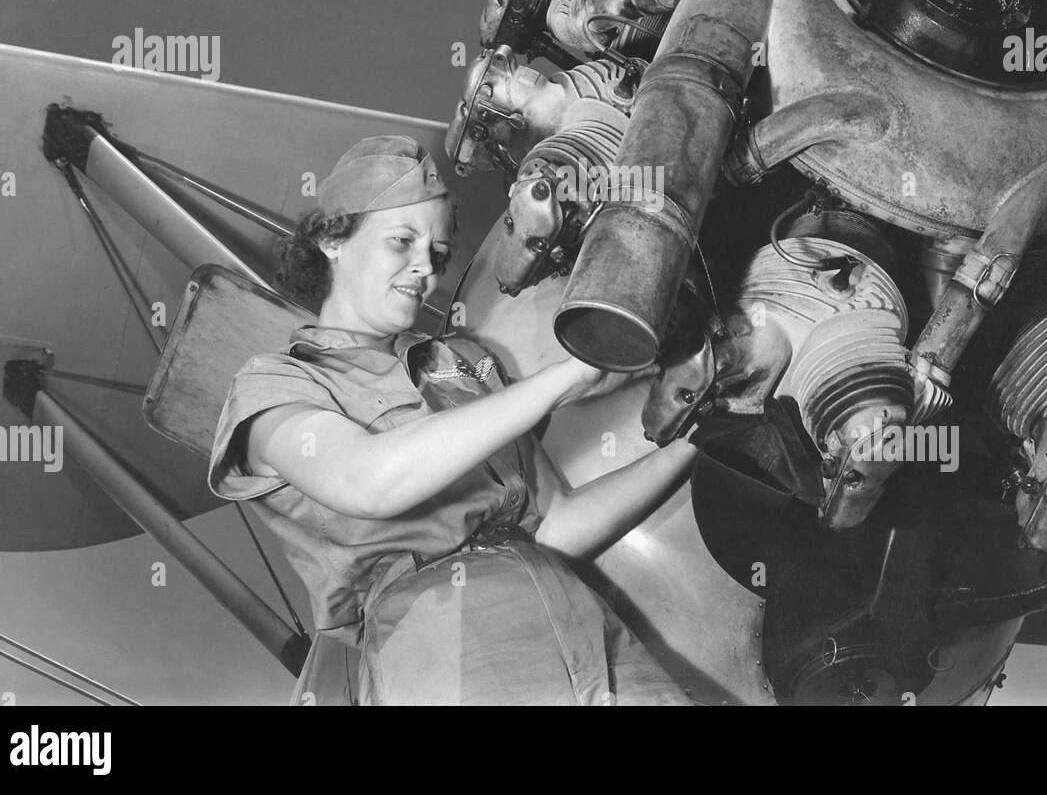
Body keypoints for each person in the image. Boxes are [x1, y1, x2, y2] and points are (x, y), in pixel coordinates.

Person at [208, 135, 696, 705]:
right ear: (331, 238)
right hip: (441, 636)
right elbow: (367, 482)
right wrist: (570, 374)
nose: (426, 269)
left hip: (579, 620)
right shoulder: (274, 384)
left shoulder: (463, 363)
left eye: (437, 254)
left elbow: (558, 524)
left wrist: (700, 444)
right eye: (402, 242)